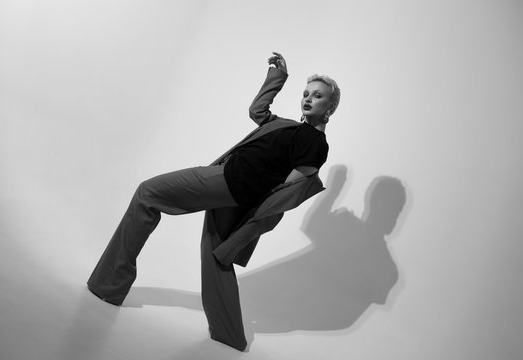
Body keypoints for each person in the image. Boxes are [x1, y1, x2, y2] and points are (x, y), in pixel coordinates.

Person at [87, 52, 341, 350]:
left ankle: (109, 284)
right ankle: (229, 336)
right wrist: (278, 78)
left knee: (148, 193)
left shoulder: (314, 142)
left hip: (230, 182)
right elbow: (257, 110)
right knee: (216, 255)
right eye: (306, 93)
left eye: (318, 96)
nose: (308, 99)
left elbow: (287, 191)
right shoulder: (287, 126)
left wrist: (252, 215)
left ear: (330, 107)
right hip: (232, 187)